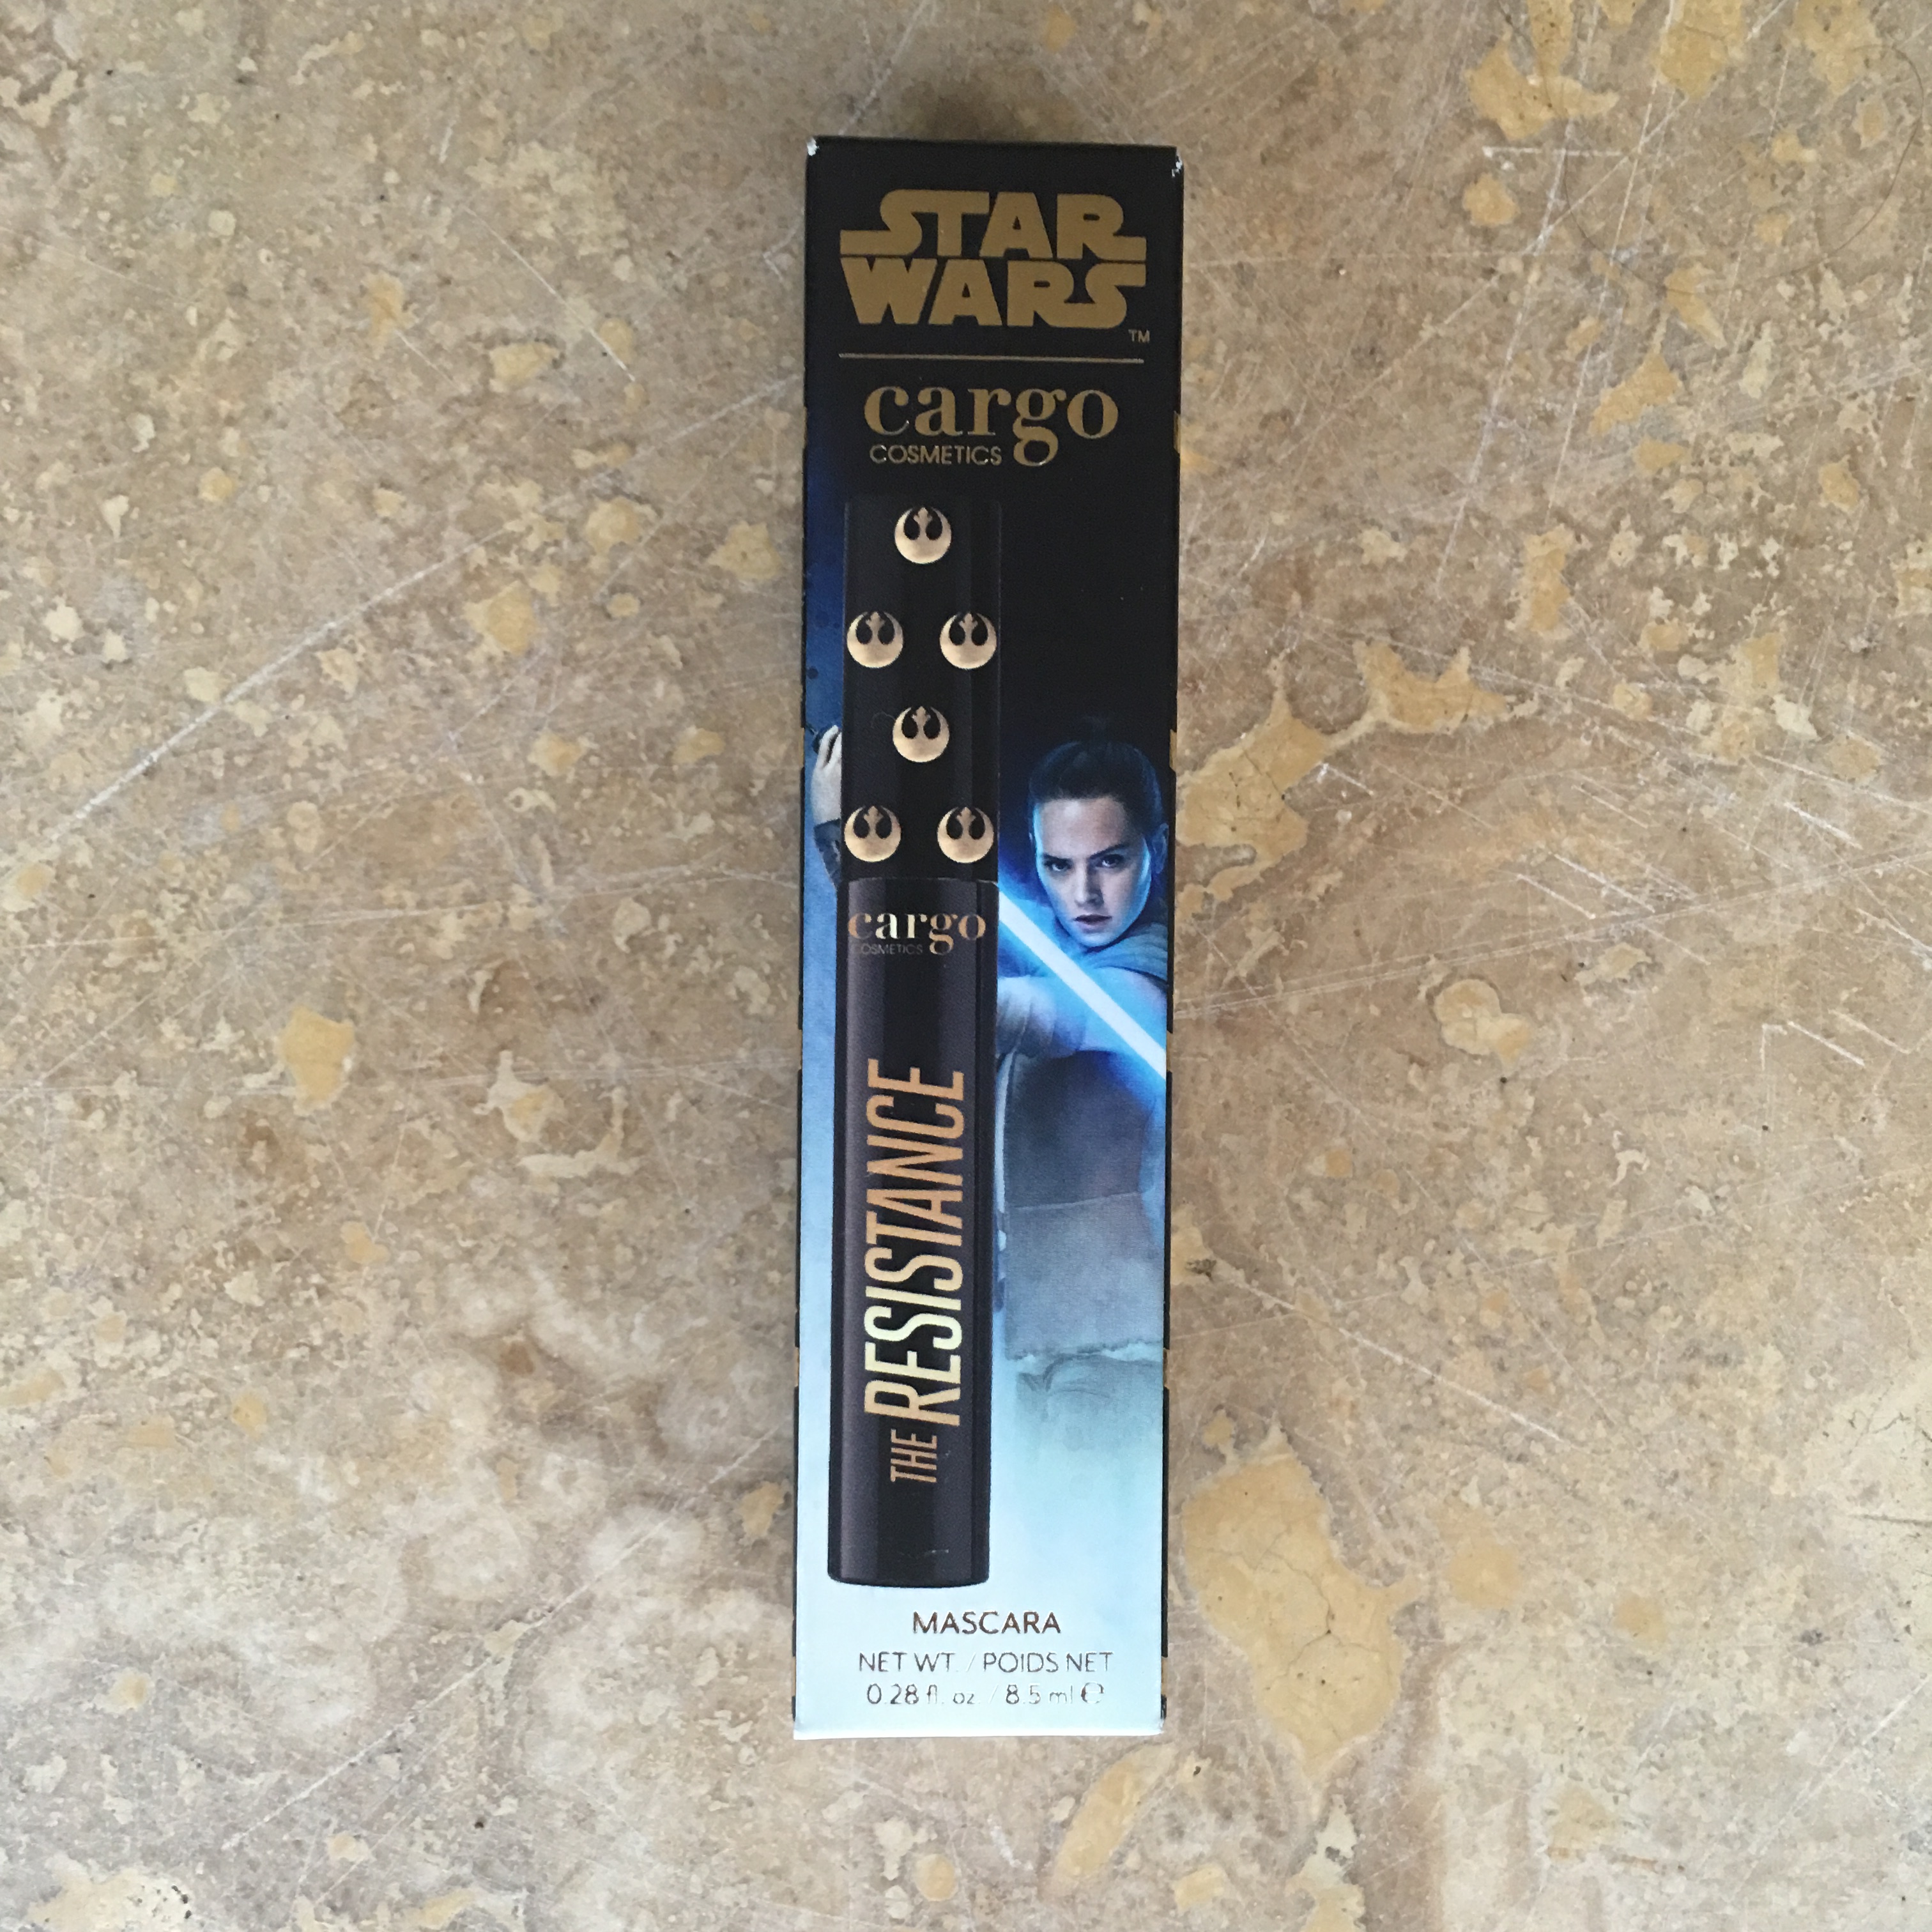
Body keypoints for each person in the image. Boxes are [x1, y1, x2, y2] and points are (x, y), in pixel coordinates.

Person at [995, 737, 1169, 1392]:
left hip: (1118, 1349)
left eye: (1110, 862)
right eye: (1059, 866)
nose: (1084, 893)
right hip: (1042, 1337)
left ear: (1158, 849)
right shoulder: (1063, 951)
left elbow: (1041, 1015)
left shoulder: (1151, 972)